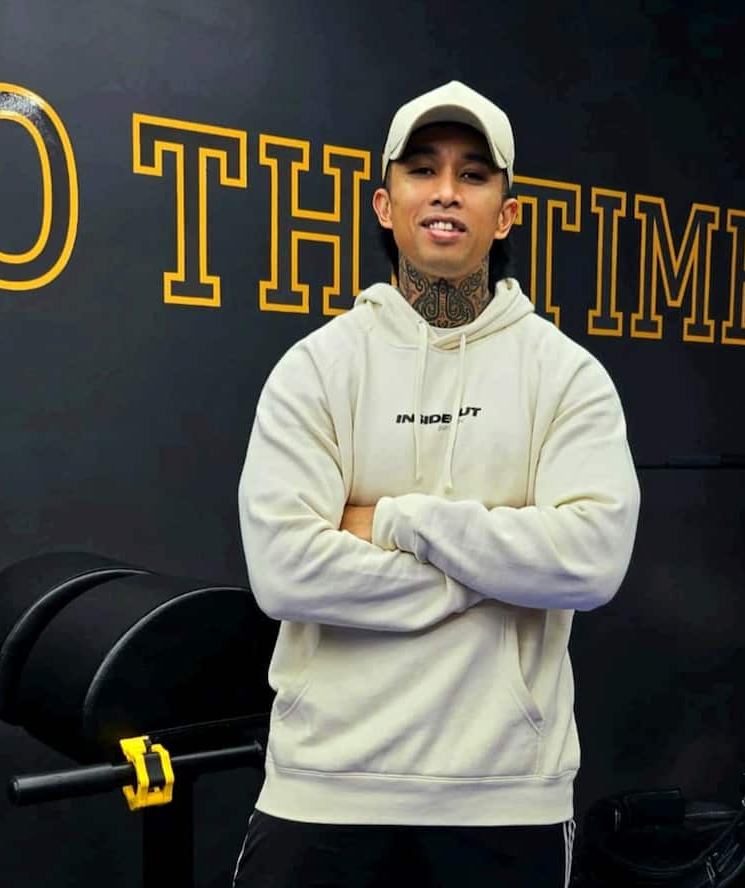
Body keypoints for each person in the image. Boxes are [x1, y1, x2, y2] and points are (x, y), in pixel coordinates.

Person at [233, 80, 640, 888]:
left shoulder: (567, 378)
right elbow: (284, 571)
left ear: (507, 212)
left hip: (505, 800)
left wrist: (392, 520)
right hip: (325, 790)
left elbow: (590, 562)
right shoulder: (317, 370)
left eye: (474, 173)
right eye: (423, 170)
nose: (446, 191)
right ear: (385, 205)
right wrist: (497, 575)